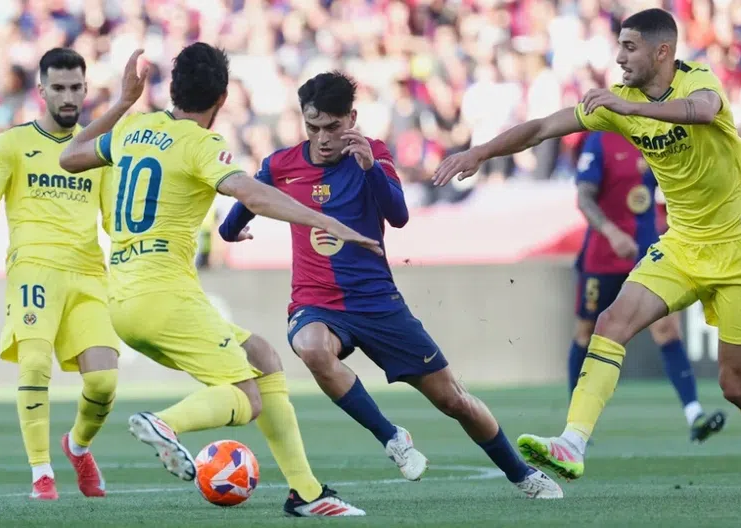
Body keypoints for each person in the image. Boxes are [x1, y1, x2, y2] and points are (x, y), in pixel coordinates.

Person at [433, 8, 741, 482]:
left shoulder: (695, 80)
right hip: (684, 244)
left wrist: (632, 110)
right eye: (619, 46)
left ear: (662, 52)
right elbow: (542, 128)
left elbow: (704, 110)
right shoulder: (617, 101)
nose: (619, 57)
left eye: (630, 47)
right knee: (610, 322)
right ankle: (572, 443)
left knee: (736, 386)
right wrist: (481, 151)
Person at [59, 43, 372, 517]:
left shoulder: (133, 128)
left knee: (262, 356)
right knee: (247, 398)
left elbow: (70, 156)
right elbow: (251, 193)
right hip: (165, 297)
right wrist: (324, 220)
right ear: (222, 99)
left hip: (122, 301)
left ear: (172, 89)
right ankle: (164, 424)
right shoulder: (201, 145)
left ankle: (306, 494)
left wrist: (123, 101)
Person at [218, 71, 564, 499]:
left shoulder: (375, 155)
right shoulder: (280, 165)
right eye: (313, 127)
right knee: (310, 347)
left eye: (332, 127)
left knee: (453, 400)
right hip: (317, 302)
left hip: (378, 303)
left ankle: (521, 473)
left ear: (352, 119)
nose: (322, 138)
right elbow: (241, 210)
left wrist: (369, 169)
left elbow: (398, 215)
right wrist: (231, 231)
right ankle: (392, 437)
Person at [0, 48, 121, 500]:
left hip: (88, 271)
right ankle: (41, 472)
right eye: (59, 88)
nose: (68, 97)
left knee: (104, 382)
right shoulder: (13, 143)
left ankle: (78, 446)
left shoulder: (98, 150)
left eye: (76, 88)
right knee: (34, 362)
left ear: (86, 90)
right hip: (33, 267)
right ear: (42, 91)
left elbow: (115, 219)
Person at [571, 130, 725, 442]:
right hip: (603, 256)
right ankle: (574, 423)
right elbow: (584, 197)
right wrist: (612, 233)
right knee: (586, 332)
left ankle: (694, 415)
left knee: (667, 329)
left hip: (647, 251)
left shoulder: (656, 135)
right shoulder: (600, 139)